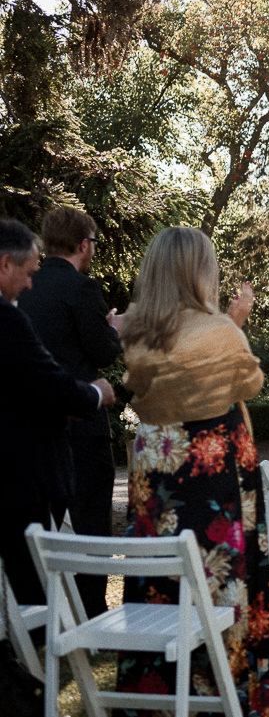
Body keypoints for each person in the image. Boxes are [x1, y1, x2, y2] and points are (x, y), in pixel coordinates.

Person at [116, 227, 269, 715]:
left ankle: (156, 693)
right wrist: (235, 323)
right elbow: (250, 379)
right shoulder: (219, 331)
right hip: (215, 457)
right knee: (225, 573)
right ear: (200, 272)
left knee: (160, 570)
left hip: (155, 455)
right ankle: (227, 689)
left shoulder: (137, 333)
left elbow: (134, 383)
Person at [0, 219, 113, 605]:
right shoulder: (79, 289)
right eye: (27, 272)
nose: (30, 281)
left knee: (30, 541)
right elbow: (97, 354)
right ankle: (90, 612)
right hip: (71, 429)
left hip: (28, 437)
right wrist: (97, 391)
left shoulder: (22, 299)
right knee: (87, 528)